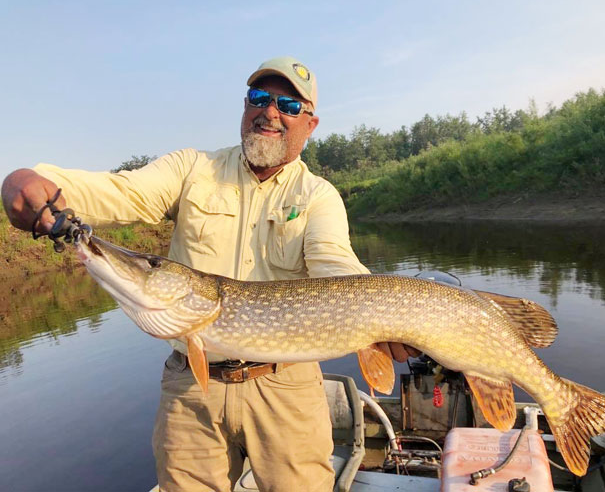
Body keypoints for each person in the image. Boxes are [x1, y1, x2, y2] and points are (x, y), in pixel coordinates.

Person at [2, 56, 419, 492]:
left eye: (289, 106)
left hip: (286, 386)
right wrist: (39, 181)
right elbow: (123, 192)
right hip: (191, 384)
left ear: (310, 124)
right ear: (245, 106)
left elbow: (336, 265)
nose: (271, 112)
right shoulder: (192, 169)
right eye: (260, 98)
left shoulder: (317, 195)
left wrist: (382, 316)